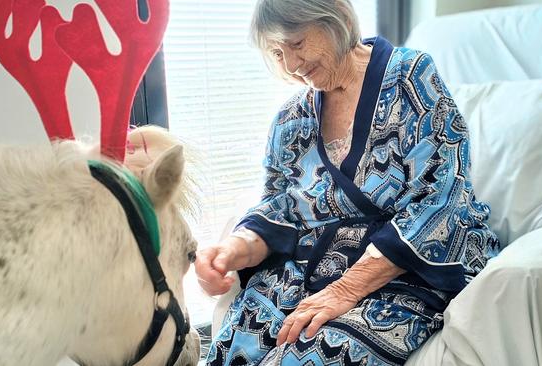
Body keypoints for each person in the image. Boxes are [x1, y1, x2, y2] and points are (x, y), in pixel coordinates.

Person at [195, 0, 500, 365]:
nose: (291, 64)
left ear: (337, 17)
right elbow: (279, 205)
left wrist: (346, 288)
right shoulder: (290, 119)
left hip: (408, 265)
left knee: (308, 355)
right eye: (276, 53)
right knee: (237, 342)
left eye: (296, 43)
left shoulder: (410, 77)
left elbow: (442, 195)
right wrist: (234, 249)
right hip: (315, 262)